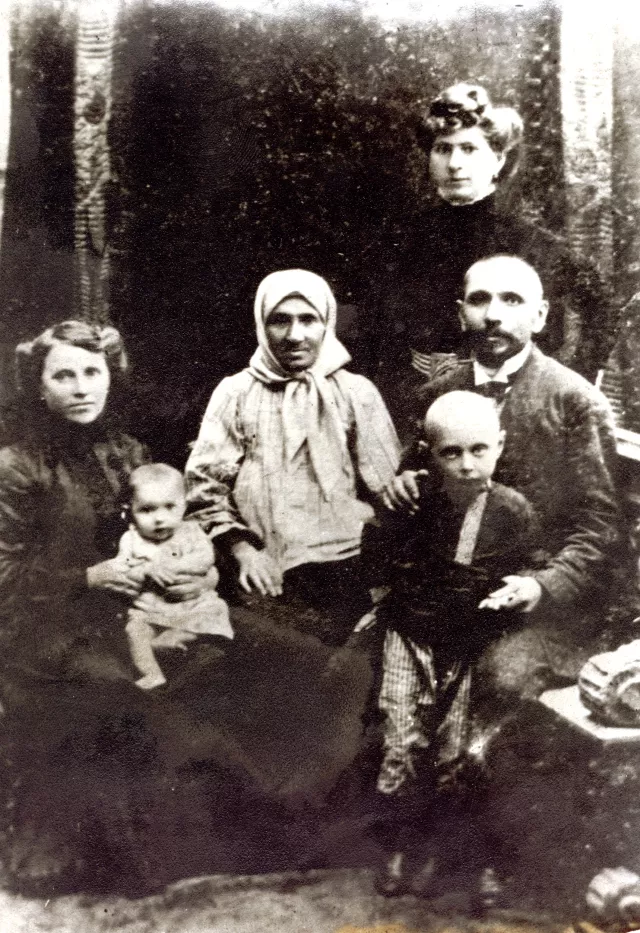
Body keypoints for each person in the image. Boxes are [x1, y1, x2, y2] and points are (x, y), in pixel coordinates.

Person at [0, 320, 375, 895]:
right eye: (63, 375)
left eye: (92, 372)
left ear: (110, 378)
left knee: (306, 659)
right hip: (52, 631)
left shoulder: (127, 455)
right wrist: (88, 577)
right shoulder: (16, 467)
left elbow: (174, 533)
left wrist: (191, 573)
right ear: (39, 386)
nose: (80, 387)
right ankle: (174, 846)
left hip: (154, 607)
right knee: (137, 700)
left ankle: (300, 822)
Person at [385, 254, 620, 697]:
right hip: (448, 593)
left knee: (496, 675)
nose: (493, 315)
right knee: (370, 665)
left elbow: (600, 526)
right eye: (479, 300)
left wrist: (543, 585)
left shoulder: (575, 401)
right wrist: (404, 487)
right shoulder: (436, 394)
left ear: (541, 315)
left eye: (512, 300)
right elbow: (417, 482)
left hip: (537, 607)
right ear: (461, 314)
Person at [367, 391, 540, 900]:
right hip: (411, 637)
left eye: (479, 450)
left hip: (468, 643)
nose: (466, 465)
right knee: (401, 741)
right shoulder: (414, 498)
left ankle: (437, 853)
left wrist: (515, 592)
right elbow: (377, 548)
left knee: (453, 750)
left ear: (499, 445)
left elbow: (531, 565)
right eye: (452, 453)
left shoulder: (513, 510)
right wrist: (386, 598)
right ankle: (398, 848)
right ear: (430, 453)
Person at [373, 82, 611, 423]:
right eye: (443, 149)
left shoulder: (532, 243)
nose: (454, 164)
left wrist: (575, 375)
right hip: (418, 406)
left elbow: (601, 306)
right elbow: (377, 329)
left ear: (498, 159)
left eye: (469, 149)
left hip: (509, 408)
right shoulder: (401, 238)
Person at [185, 268, 400, 646]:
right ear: (261, 324)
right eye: (280, 321)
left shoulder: (356, 392)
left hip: (343, 566)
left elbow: (390, 487)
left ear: (327, 323)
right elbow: (204, 488)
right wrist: (244, 552)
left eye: (308, 320)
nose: (295, 335)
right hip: (262, 564)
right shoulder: (236, 392)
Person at [119, 463, 233, 690]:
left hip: (192, 606)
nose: (159, 518)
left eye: (170, 507)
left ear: (184, 506)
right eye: (147, 510)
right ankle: (152, 673)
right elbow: (123, 568)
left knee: (215, 612)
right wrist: (146, 569)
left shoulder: (191, 531)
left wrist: (177, 566)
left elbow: (206, 557)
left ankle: (174, 640)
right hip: (150, 612)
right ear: (130, 510)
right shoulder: (131, 539)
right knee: (135, 630)